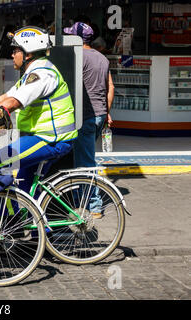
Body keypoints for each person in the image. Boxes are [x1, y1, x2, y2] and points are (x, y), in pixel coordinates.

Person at [0, 26, 77, 195]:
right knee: (25, 188)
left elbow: (14, 102)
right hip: (41, 137)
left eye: (16, 51)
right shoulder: (32, 72)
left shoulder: (42, 74)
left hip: (51, 139)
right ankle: (31, 218)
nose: (12, 55)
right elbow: (8, 96)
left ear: (28, 54)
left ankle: (13, 219)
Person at [64, 22, 115, 218]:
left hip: (84, 116)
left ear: (77, 39)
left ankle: (94, 205)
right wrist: (106, 111)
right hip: (99, 114)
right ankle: (79, 198)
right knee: (82, 158)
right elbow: (110, 87)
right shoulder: (102, 58)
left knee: (85, 162)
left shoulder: (78, 57)